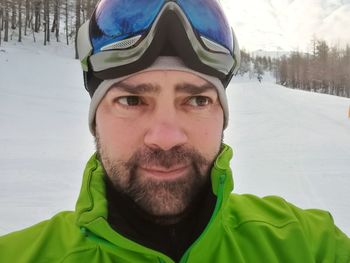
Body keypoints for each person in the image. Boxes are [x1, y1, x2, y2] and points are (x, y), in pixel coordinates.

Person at [1, 0, 349, 262]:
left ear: (222, 115)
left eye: (197, 100)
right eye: (132, 100)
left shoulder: (304, 244)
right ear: (95, 118)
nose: (166, 138)